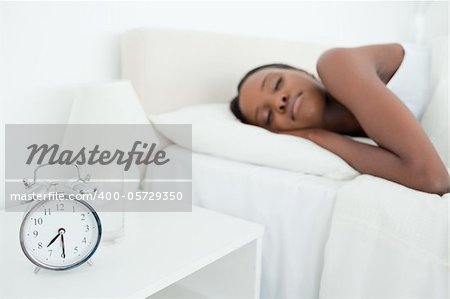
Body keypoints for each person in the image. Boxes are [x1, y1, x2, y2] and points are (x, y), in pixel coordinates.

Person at [230, 43, 450, 195]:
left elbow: (432, 179)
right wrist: (314, 136)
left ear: (303, 71)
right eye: (268, 116)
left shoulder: (335, 64)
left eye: (277, 84)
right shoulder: (346, 138)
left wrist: (312, 133)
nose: (280, 101)